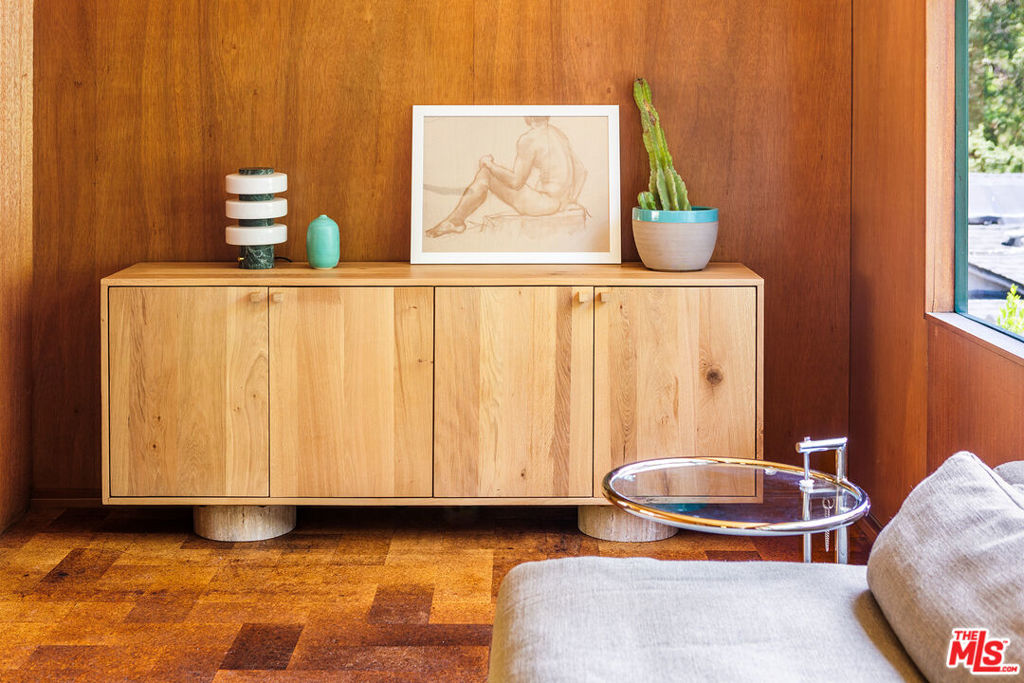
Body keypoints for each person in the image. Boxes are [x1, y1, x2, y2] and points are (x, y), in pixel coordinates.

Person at [426, 116, 587, 237]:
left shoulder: (529, 139)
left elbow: (516, 182)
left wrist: (489, 165)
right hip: (561, 202)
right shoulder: (558, 134)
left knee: (486, 174)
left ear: (529, 116)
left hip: (544, 204)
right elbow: (581, 171)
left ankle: (455, 221)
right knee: (490, 172)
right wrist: (571, 200)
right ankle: (455, 220)